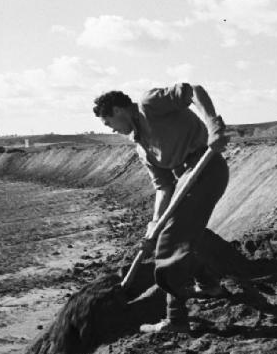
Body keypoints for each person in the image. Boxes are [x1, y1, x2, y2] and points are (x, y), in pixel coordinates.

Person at [93, 83, 229, 333]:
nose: (112, 129)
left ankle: (176, 320)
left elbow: (194, 91)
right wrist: (154, 224)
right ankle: (209, 284)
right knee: (167, 235)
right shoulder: (141, 148)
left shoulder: (149, 104)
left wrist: (214, 125)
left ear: (117, 110)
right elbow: (164, 187)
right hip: (185, 180)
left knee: (170, 241)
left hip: (207, 166)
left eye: (108, 123)